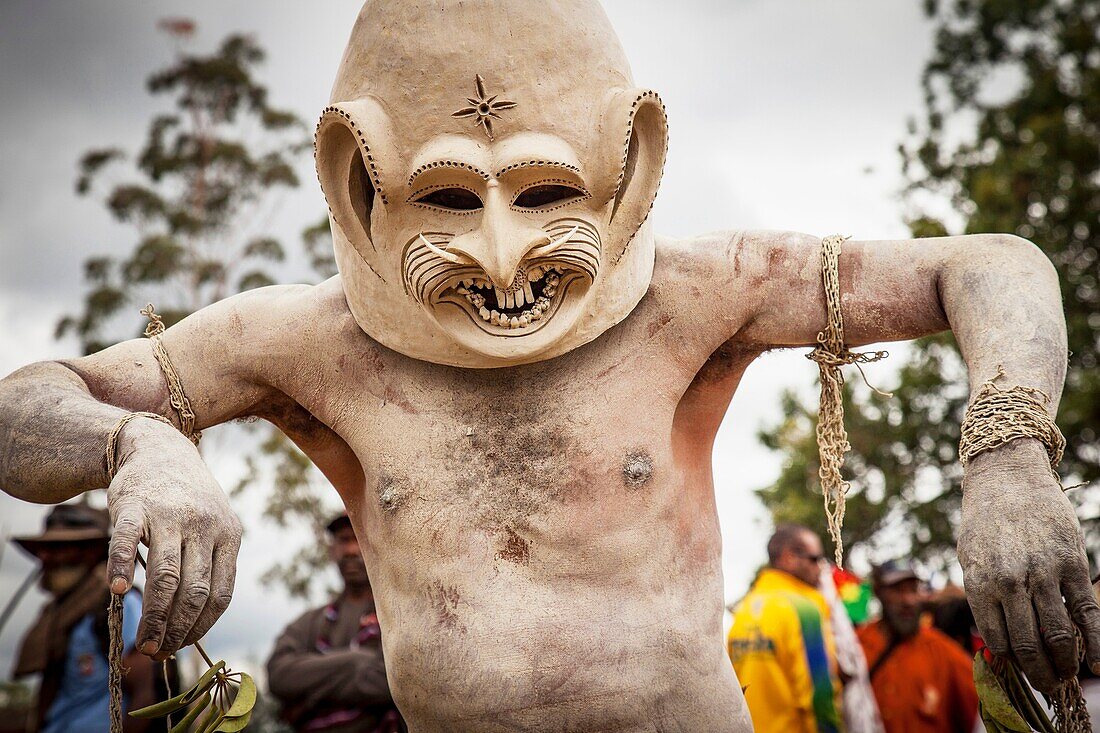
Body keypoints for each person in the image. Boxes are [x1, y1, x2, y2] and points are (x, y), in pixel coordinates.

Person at [1, 0, 1097, 729]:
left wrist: (1007, 457)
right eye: (445, 196)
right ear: (358, 180)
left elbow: (989, 265)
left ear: (629, 164)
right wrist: (137, 440)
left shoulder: (697, 292)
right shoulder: (302, 343)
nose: (500, 252)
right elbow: (24, 409)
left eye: (542, 194)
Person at [11, 503, 157, 733]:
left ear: (91, 551)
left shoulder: (117, 606)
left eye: (60, 548)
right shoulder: (57, 616)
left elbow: (145, 694)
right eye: (45, 549)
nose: (46, 557)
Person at [267, 513, 403, 732]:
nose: (351, 550)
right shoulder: (311, 622)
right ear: (332, 551)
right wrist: (357, 661)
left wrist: (310, 697)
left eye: (359, 538)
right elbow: (279, 675)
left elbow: (400, 684)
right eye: (344, 540)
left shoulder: (399, 616)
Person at [727, 525, 843, 732]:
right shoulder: (804, 611)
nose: (821, 568)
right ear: (789, 558)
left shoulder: (743, 612)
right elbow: (819, 697)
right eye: (815, 559)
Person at [857, 560, 979, 733]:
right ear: (878, 592)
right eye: (898, 591)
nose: (908, 600)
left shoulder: (944, 652)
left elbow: (978, 718)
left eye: (913, 590)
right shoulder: (856, 646)